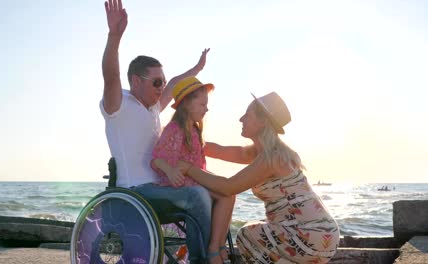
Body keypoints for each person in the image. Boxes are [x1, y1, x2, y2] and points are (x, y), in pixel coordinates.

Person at [100, 0, 213, 262]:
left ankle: (210, 253)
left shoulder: (152, 108)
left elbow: (175, 83)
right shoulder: (118, 106)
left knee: (212, 191)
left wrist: (196, 70)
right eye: (157, 82)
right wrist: (114, 37)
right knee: (197, 195)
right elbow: (110, 75)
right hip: (135, 192)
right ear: (136, 81)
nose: (163, 88)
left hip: (160, 186)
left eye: (162, 81)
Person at [178, 92, 341, 263]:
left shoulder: (272, 158)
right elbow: (218, 151)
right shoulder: (260, 153)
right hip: (322, 234)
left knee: (246, 235)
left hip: (309, 235)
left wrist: (188, 169)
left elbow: (227, 187)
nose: (241, 119)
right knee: (257, 229)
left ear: (263, 122)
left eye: (247, 115)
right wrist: (183, 139)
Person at [151, 77, 236, 264]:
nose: (206, 108)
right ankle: (213, 251)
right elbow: (156, 158)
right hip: (181, 184)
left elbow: (199, 166)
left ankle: (218, 245)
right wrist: (171, 171)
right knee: (223, 194)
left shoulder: (195, 131)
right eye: (202, 104)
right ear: (187, 104)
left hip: (195, 179)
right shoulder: (174, 129)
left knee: (229, 193)